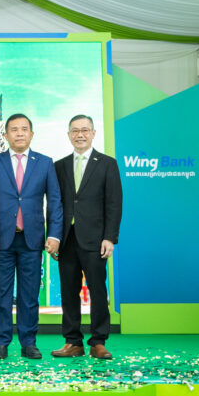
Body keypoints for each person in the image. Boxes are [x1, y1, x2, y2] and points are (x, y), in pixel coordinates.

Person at [0, 114, 63, 360]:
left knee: (29, 295)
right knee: (1, 294)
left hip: (32, 239)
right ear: (6, 135)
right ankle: (1, 343)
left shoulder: (45, 163)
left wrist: (55, 235)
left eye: (24, 129)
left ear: (32, 134)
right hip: (0, 240)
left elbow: (54, 201)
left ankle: (29, 342)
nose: (19, 133)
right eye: (14, 129)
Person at [51, 115, 123, 360]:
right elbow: (55, 205)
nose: (79, 134)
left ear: (93, 133)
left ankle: (98, 342)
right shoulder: (59, 166)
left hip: (95, 240)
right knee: (68, 292)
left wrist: (110, 237)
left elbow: (114, 203)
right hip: (67, 239)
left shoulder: (107, 164)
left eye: (84, 130)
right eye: (75, 131)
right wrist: (54, 237)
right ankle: (73, 342)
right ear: (68, 135)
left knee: (98, 291)